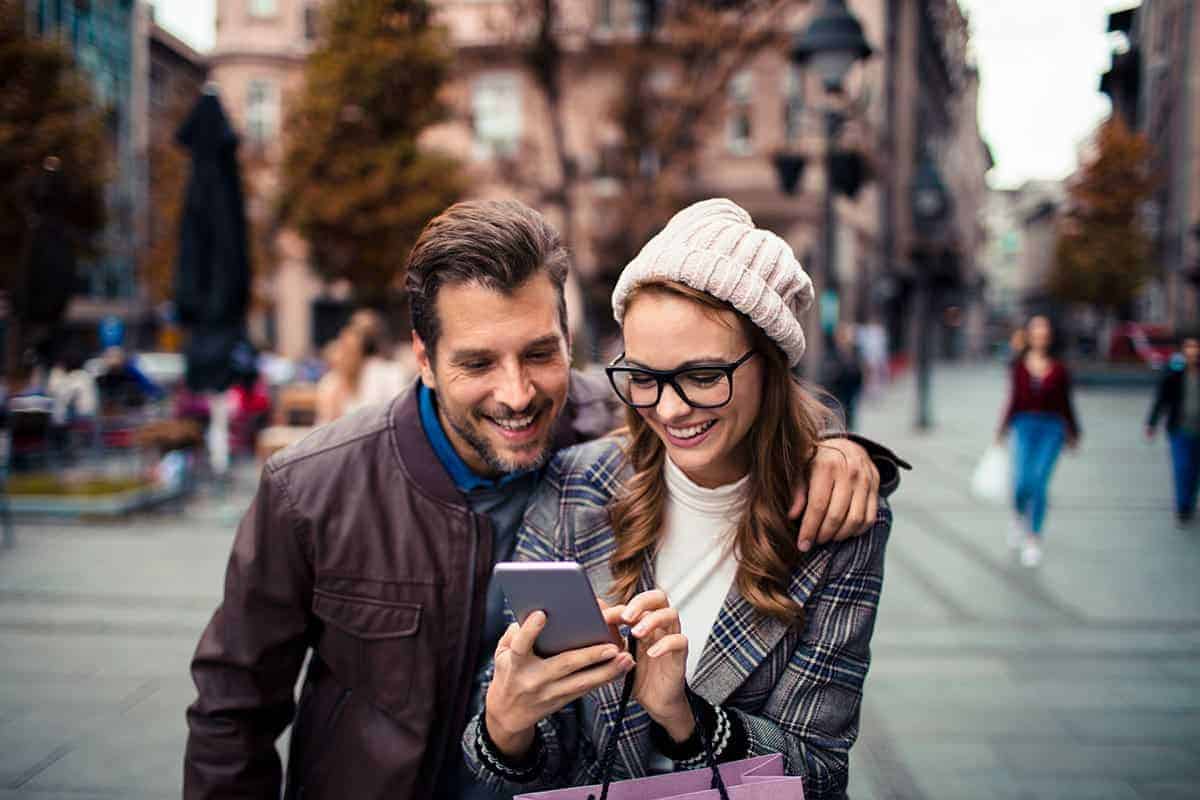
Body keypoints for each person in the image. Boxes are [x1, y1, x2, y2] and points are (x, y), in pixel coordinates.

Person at [183, 200, 906, 800]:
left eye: (539, 352)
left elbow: (733, 401)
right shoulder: (312, 488)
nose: (519, 394)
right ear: (424, 360)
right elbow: (231, 712)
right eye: (476, 362)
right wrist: (506, 722)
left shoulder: (611, 419)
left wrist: (840, 451)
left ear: (570, 343)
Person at [467, 199, 891, 800]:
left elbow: (819, 772)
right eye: (643, 376)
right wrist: (507, 725)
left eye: (702, 376)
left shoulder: (837, 518)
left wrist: (686, 717)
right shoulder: (575, 486)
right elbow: (523, 751)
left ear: (769, 364)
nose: (668, 409)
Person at [996, 315, 1080, 567]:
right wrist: (1001, 428)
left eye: (1044, 330)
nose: (1040, 334)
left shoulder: (1060, 369)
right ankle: (1018, 515)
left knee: (1039, 482)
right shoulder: (1018, 366)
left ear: (1050, 335)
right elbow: (1013, 399)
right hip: (1023, 425)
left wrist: (1073, 431)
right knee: (1022, 481)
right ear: (1030, 334)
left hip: (1052, 428)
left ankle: (1033, 538)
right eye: (1036, 330)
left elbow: (1067, 402)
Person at [1146, 333, 1200, 526]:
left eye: (1196, 347)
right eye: (1189, 347)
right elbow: (1162, 399)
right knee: (1182, 468)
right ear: (1183, 350)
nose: (1193, 351)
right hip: (1180, 429)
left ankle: (1190, 501)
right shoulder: (1174, 372)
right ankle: (1182, 507)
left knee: (1194, 472)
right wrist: (1152, 423)